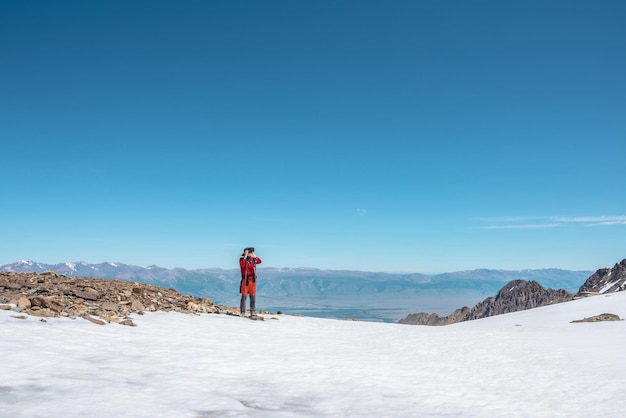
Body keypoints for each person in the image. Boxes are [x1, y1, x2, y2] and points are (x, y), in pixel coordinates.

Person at [239, 247, 262, 317]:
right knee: (244, 296)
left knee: (253, 296)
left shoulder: (253, 260)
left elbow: (260, 261)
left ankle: (253, 311)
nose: (250, 254)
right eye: (250, 252)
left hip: (252, 280)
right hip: (245, 280)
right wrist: (245, 256)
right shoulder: (242, 260)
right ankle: (243, 311)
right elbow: (242, 265)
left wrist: (254, 256)